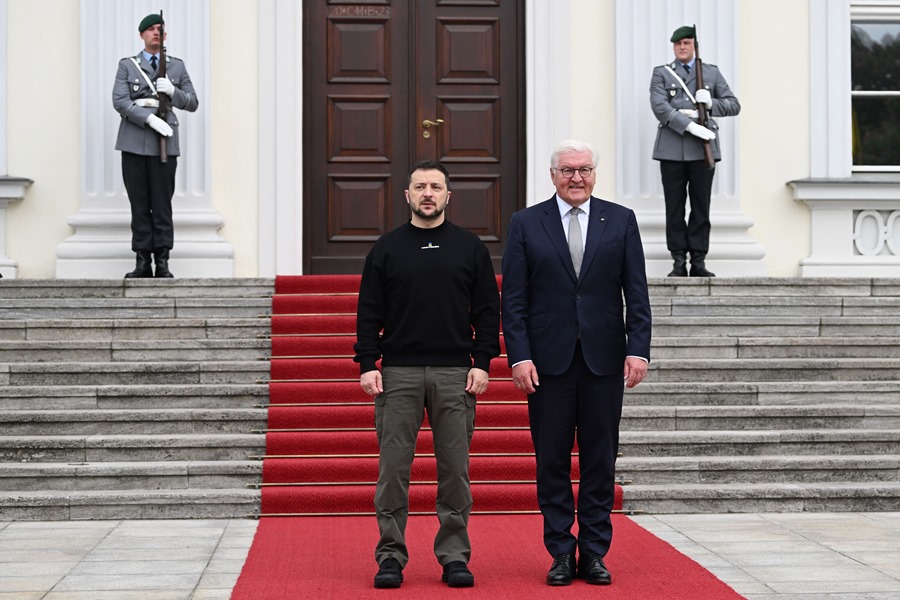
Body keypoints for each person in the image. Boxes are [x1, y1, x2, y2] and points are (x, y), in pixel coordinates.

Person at [501, 139, 651, 586]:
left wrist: (638, 347)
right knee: (551, 460)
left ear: (595, 174)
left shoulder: (620, 220)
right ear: (552, 176)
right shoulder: (527, 223)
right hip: (547, 363)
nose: (576, 177)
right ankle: (561, 552)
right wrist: (520, 355)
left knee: (600, 460)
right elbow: (515, 299)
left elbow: (636, 291)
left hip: (604, 359)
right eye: (567, 170)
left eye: (584, 169)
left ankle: (595, 552)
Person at [354, 160, 501, 589]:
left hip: (456, 372)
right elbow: (368, 312)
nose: (428, 193)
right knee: (393, 470)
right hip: (397, 373)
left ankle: (454, 556)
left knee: (454, 469)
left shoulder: (470, 248)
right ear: (407, 195)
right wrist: (367, 364)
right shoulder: (386, 248)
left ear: (448, 196)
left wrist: (482, 362)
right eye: (420, 186)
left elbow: (488, 312)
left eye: (436, 186)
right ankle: (390, 557)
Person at [650, 25, 741, 277]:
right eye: (678, 43)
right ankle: (679, 259)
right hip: (672, 147)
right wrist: (689, 126)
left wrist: (711, 103)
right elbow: (659, 106)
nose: (682, 47)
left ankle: (698, 259)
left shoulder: (711, 73)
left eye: (687, 43)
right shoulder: (662, 74)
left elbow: (734, 105)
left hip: (702, 150)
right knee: (675, 206)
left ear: (693, 46)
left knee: (701, 206)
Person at [113, 13, 199, 278]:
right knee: (139, 203)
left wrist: (174, 93)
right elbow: (120, 101)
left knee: (162, 204)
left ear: (165, 35)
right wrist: (147, 118)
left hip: (165, 143)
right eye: (150, 29)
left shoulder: (176, 67)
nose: (155, 33)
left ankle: (162, 261)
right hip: (134, 140)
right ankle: (142, 261)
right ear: (141, 35)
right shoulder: (128, 65)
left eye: (160, 29)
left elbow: (193, 102)